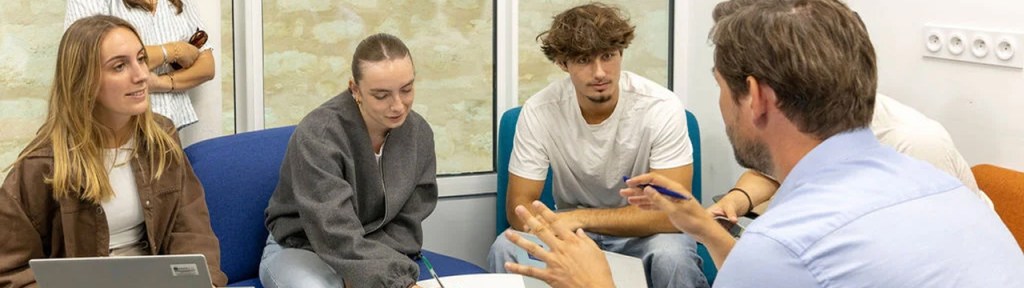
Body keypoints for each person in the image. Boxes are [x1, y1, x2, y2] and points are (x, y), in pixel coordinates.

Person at [502, 0, 1024, 287]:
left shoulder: (783, 245)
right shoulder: (947, 187)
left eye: (719, 86)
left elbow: (785, 265)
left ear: (754, 98)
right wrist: (710, 229)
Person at [487, 3, 707, 288]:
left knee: (672, 256)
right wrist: (567, 226)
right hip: (571, 233)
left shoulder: (660, 107)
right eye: (583, 60)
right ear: (563, 63)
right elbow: (519, 208)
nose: (600, 72)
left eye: (608, 56)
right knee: (505, 248)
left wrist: (579, 217)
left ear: (621, 53)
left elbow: (672, 213)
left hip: (643, 234)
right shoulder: (540, 110)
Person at [0, 15, 226, 287]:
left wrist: (205, 282)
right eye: (119, 66)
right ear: (84, 81)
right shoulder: (41, 164)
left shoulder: (162, 138)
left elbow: (192, 230)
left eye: (141, 59)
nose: (142, 75)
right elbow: (10, 272)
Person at [261, 33, 435, 288]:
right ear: (355, 90)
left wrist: (369, 270)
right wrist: (383, 277)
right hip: (304, 247)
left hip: (374, 249)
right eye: (381, 95)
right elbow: (330, 228)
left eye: (406, 89)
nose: (398, 105)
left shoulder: (418, 133)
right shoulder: (318, 134)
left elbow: (408, 224)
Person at [712, 93, 993, 222]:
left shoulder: (917, 145)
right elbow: (770, 171)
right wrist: (736, 201)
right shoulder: (805, 118)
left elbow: (929, 247)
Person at [66, 0, 215, 133]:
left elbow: (207, 66)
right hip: (118, 127)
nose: (141, 75)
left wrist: (158, 83)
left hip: (172, 127)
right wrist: (172, 51)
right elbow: (88, 59)